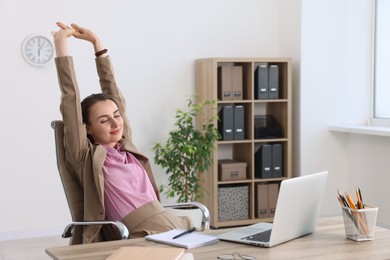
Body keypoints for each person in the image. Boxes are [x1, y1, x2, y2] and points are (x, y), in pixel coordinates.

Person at [52, 22, 191, 244]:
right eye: (104, 120)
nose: (116, 123)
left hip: (170, 224)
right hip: (143, 234)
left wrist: (98, 45)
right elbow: (70, 99)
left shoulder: (126, 146)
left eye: (117, 115)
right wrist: (61, 48)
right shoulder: (84, 157)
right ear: (87, 127)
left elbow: (112, 90)